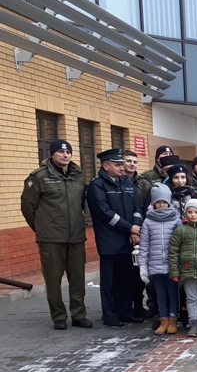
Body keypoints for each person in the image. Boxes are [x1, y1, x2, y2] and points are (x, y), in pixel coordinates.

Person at [20, 139, 92, 329]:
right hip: (51, 238)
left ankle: (79, 315)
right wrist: (42, 228)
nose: (65, 155)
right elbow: (28, 207)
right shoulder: (38, 177)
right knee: (53, 280)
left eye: (68, 152)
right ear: (52, 154)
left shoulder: (78, 175)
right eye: (60, 151)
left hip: (76, 236)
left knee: (77, 278)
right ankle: (59, 316)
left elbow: (81, 203)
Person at [86, 148, 144, 327]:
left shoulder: (126, 181)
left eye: (122, 164)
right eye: (118, 165)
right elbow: (105, 213)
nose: (122, 167)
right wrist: (130, 228)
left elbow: (137, 206)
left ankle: (126, 312)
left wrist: (135, 227)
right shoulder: (97, 185)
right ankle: (110, 315)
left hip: (128, 238)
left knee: (127, 278)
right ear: (106, 166)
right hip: (110, 240)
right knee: (110, 281)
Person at [137, 184, 181, 335]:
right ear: (153, 203)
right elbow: (144, 246)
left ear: (168, 202)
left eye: (164, 202)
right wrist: (143, 265)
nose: (161, 205)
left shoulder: (176, 220)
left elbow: (181, 244)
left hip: (172, 265)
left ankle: (173, 318)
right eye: (158, 202)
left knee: (172, 293)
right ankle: (163, 319)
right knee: (160, 294)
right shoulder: (148, 221)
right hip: (155, 265)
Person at [169, 199, 197, 336]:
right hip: (187, 269)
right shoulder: (180, 230)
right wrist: (174, 271)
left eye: (196, 212)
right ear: (185, 213)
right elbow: (173, 251)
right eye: (190, 212)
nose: (193, 215)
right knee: (191, 298)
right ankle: (193, 323)